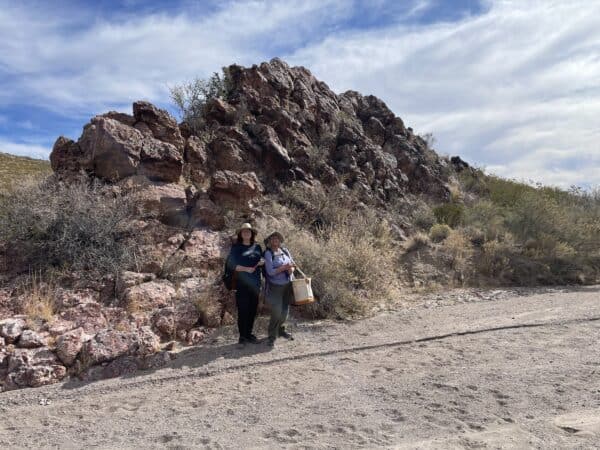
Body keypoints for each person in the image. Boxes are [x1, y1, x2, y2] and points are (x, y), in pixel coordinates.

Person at [226, 223, 263, 344]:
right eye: (244, 231)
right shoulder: (236, 248)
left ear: (252, 233)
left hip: (255, 284)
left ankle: (249, 334)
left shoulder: (257, 247)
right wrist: (246, 269)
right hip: (241, 284)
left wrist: (262, 262)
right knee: (243, 310)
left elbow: (261, 261)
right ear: (240, 234)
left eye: (248, 231)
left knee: (252, 310)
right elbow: (231, 265)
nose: (246, 233)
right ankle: (242, 336)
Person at [263, 231, 295, 347]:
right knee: (276, 311)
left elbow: (292, 264)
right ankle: (271, 336)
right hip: (275, 286)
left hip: (288, 284)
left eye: (277, 238)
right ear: (269, 241)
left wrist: (291, 269)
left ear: (280, 240)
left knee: (285, 311)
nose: (275, 240)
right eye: (272, 238)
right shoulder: (268, 253)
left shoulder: (285, 251)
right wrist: (283, 268)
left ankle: (281, 330)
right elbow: (270, 272)